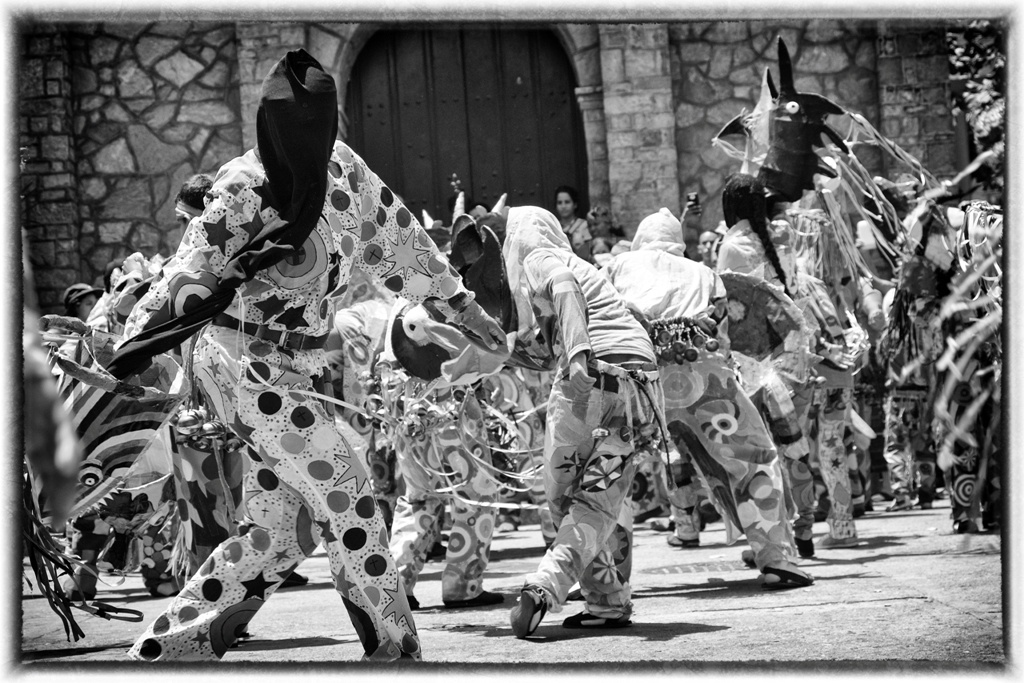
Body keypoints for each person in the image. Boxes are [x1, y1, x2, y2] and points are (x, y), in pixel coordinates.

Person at [107, 50, 504, 662]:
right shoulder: (241, 188)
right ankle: (398, 654)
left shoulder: (346, 175)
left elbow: (405, 243)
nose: (301, 140)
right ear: (266, 126)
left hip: (298, 368)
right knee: (351, 499)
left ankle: (165, 651)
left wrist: (466, 308)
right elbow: (185, 279)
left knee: (278, 535)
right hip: (239, 363)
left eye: (314, 126)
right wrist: (129, 351)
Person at [473, 205, 665, 637]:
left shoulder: (539, 257)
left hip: (590, 382)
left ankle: (548, 584)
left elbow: (563, 288)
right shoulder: (588, 269)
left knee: (564, 499)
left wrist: (578, 352)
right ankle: (606, 603)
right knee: (597, 500)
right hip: (639, 386)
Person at [605, 207, 811, 589]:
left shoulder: (616, 267)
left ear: (640, 239)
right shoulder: (704, 273)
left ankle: (608, 580)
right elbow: (722, 334)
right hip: (704, 374)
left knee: (610, 472)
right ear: (679, 244)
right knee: (753, 458)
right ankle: (775, 558)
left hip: (637, 377)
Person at [553, 185, 593, 263]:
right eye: (559, 203)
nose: (563, 206)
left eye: (567, 202)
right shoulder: (554, 227)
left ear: (575, 204)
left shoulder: (584, 225)